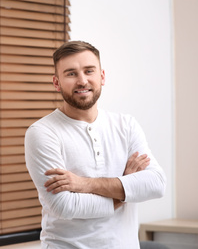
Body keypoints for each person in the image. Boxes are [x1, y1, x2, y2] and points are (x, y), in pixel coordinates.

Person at [24, 41, 166, 249]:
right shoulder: (42, 132)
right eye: (71, 74)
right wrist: (126, 188)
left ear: (102, 76)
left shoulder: (126, 125)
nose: (82, 81)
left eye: (89, 71)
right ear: (57, 83)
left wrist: (84, 184)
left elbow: (156, 184)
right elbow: (65, 206)